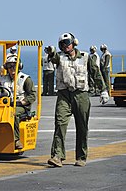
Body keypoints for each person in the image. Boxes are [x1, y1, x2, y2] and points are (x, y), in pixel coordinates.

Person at [45, 33, 109, 167]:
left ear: (74, 43)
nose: (65, 46)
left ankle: (81, 157)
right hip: (64, 95)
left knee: (82, 126)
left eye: (67, 42)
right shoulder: (60, 57)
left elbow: (96, 73)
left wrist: (103, 90)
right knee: (60, 123)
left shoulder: (86, 57)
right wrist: (50, 51)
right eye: (62, 44)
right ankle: (57, 156)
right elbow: (53, 56)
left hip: (81, 95)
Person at [0, 55, 36, 149]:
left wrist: (22, 102)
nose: (12, 69)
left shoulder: (25, 79)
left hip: (21, 106)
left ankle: (16, 140)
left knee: (13, 113)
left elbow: (32, 96)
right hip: (5, 105)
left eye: (14, 66)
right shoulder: (2, 80)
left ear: (19, 66)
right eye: (9, 66)